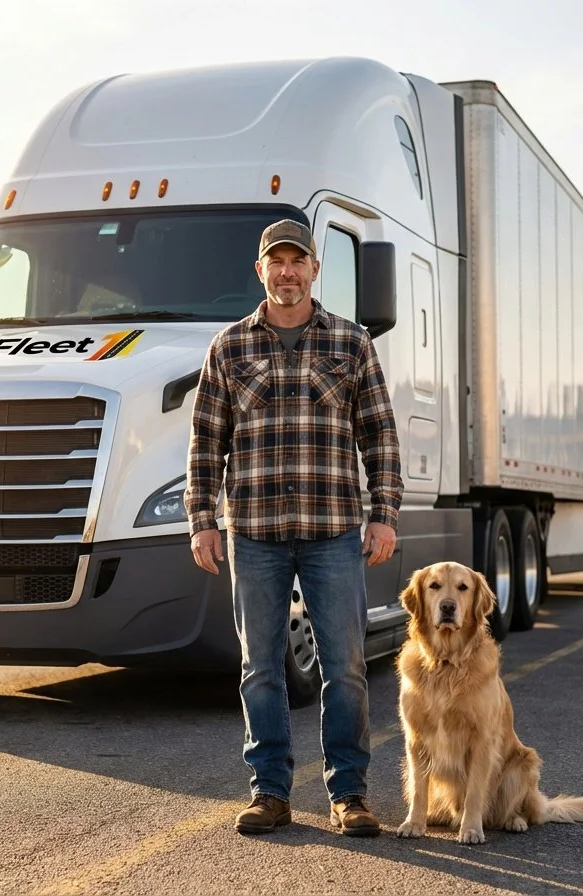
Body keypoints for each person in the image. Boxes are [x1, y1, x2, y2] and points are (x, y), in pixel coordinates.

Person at [185, 218, 403, 837]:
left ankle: (349, 795)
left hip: (332, 528)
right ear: (260, 271)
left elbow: (380, 436)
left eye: (297, 260)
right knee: (260, 668)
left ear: (314, 269)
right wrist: (203, 522)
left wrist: (383, 514)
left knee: (347, 666)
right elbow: (206, 443)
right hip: (254, 531)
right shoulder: (229, 348)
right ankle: (270, 793)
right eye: (275, 261)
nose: (287, 271)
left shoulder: (351, 343)